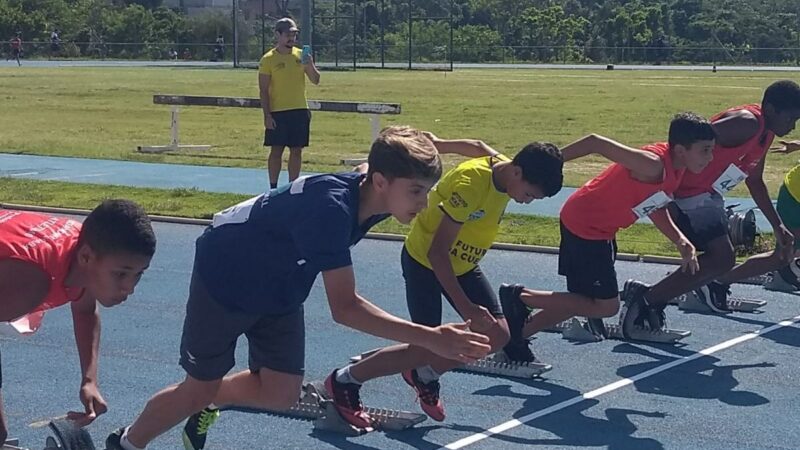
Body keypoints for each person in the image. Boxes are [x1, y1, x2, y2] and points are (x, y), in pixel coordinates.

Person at [103, 126, 492, 450]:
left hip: (282, 283)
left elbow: (382, 155)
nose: (424, 204)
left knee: (280, 394)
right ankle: (125, 443)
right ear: (379, 181)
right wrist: (431, 339)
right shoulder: (330, 213)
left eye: (427, 191)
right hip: (227, 277)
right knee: (196, 388)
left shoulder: (375, 188)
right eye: (417, 191)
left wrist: (428, 144)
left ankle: (211, 399)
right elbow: (346, 308)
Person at [324, 134, 564, 426]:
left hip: (463, 265)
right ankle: (345, 380)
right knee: (425, 346)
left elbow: (476, 146)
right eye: (528, 194)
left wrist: (438, 143)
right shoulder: (470, 184)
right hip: (425, 262)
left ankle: (424, 375)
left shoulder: (506, 168)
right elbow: (438, 253)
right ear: (517, 172)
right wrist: (468, 308)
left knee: (499, 335)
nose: (527, 202)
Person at [497, 113, 715, 356]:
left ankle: (516, 338)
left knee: (583, 300)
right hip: (586, 225)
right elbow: (595, 142)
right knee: (605, 306)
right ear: (682, 150)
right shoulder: (652, 164)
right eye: (705, 150)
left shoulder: (677, 169)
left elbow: (653, 203)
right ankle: (521, 297)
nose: (710, 157)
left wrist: (679, 239)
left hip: (601, 230)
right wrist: (550, 163)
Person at [622, 80, 800, 333]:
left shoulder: (765, 133)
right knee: (721, 257)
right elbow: (689, 140)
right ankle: (646, 300)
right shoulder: (746, 123)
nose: (792, 127)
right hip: (684, 193)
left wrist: (778, 226)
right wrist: (666, 188)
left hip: (704, 195)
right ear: (771, 109)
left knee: (722, 259)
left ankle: (651, 297)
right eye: (791, 119)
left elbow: (755, 180)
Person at [0, 200, 156, 445]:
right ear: (85, 257)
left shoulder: (85, 250)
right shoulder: (31, 282)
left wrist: (89, 380)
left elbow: (85, 311)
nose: (130, 287)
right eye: (121, 274)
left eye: (139, 274)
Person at [259, 17, 320, 189]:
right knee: (276, 151)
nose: (291, 39)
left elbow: (316, 80)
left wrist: (310, 65)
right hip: (278, 111)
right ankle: (273, 188)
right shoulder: (268, 59)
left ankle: (292, 187)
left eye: (294, 35)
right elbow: (263, 90)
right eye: (288, 35)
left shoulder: (302, 55)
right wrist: (267, 115)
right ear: (278, 35)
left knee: (296, 151)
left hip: (300, 110)